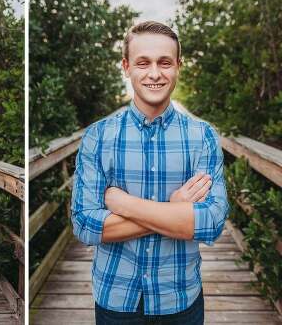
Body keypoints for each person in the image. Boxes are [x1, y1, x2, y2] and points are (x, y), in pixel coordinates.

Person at [71, 21, 229, 324]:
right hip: (116, 296)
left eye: (164, 62)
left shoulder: (203, 136)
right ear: (126, 66)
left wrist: (123, 203)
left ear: (178, 67)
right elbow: (85, 224)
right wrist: (175, 211)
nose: (154, 73)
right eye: (143, 62)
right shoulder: (98, 136)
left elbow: (211, 222)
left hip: (181, 297)